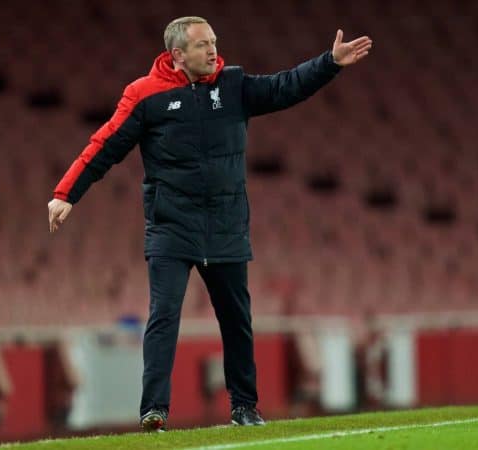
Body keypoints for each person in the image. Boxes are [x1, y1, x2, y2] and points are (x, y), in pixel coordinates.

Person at [48, 16, 372, 432]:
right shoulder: (146, 95)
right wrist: (65, 193)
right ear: (177, 55)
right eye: (203, 45)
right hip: (172, 227)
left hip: (225, 225)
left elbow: (284, 86)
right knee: (163, 315)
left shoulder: (233, 85)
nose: (214, 50)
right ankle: (154, 410)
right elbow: (106, 145)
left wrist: (329, 62)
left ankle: (244, 407)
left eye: (214, 41)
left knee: (236, 319)